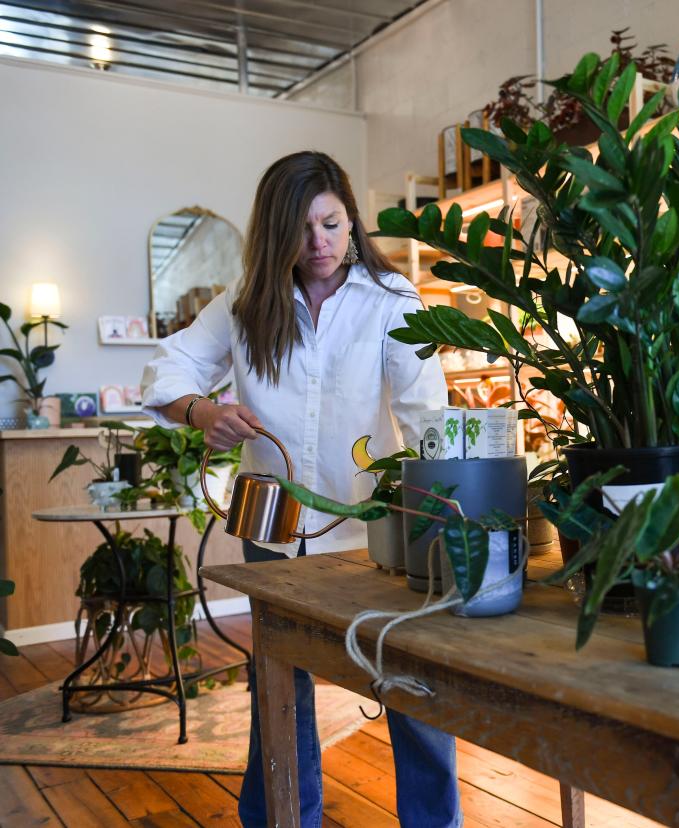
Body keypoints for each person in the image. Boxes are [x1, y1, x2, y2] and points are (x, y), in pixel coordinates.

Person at [141, 151, 460, 828]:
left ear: (352, 223)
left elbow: (427, 416)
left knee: (413, 689)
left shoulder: (392, 298)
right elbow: (167, 369)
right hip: (273, 530)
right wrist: (203, 412)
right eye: (303, 228)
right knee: (278, 694)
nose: (320, 242)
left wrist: (449, 512)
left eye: (333, 224)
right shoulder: (246, 303)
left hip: (375, 533)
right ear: (276, 233)